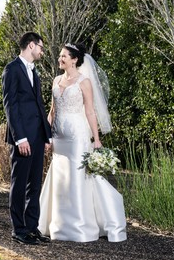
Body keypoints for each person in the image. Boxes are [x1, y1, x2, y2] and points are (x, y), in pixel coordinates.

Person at [38, 43, 127, 242]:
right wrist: (46, 135)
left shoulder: (84, 82)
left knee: (77, 177)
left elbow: (90, 111)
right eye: (60, 56)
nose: (60, 59)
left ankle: (80, 227)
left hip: (77, 137)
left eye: (63, 56)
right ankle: (58, 225)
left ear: (74, 59)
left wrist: (96, 139)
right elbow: (52, 111)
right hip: (59, 138)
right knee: (60, 177)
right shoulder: (56, 79)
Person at [2, 32, 53, 245]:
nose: (42, 50)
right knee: (19, 183)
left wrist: (46, 134)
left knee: (35, 185)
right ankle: (19, 230)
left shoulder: (35, 71)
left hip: (37, 135)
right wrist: (20, 138)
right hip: (22, 137)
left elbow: (39, 105)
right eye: (40, 46)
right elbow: (11, 106)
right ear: (31, 45)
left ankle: (32, 228)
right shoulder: (11, 69)